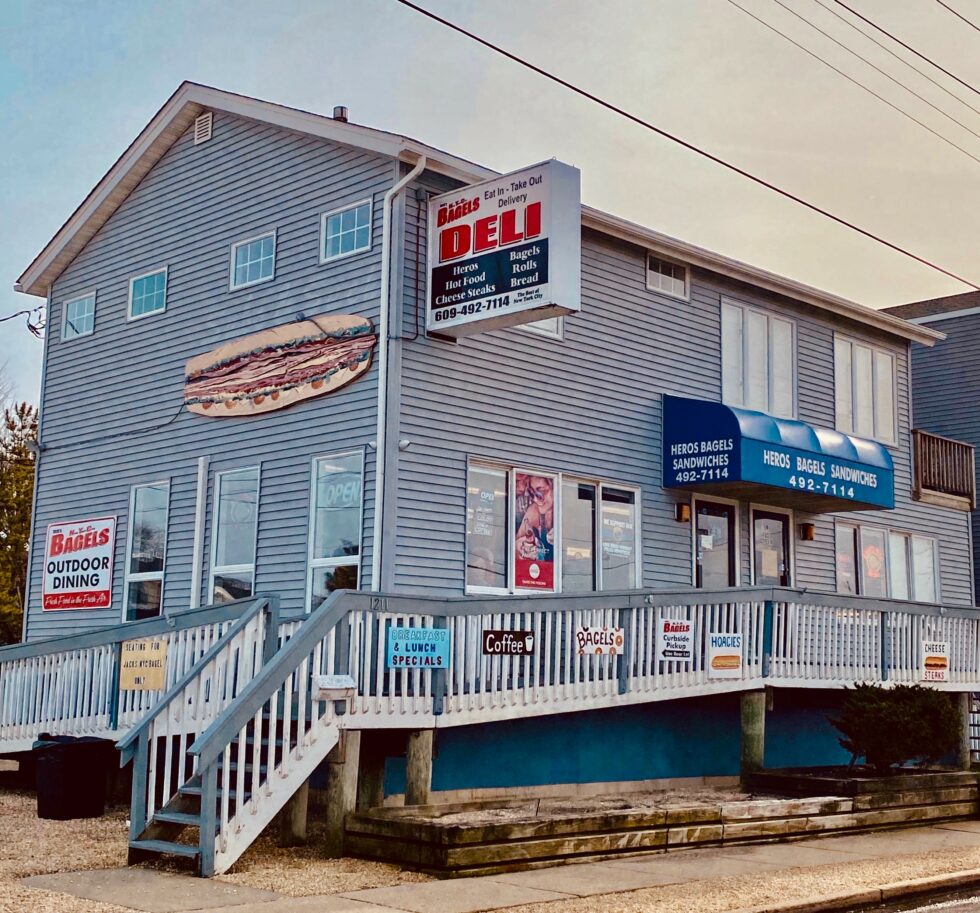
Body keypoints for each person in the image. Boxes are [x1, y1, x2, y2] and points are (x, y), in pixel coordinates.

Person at [516, 475, 554, 563]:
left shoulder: (567, 513)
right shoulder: (534, 511)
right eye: (532, 493)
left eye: (541, 491)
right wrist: (519, 547)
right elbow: (515, 548)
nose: (535, 499)